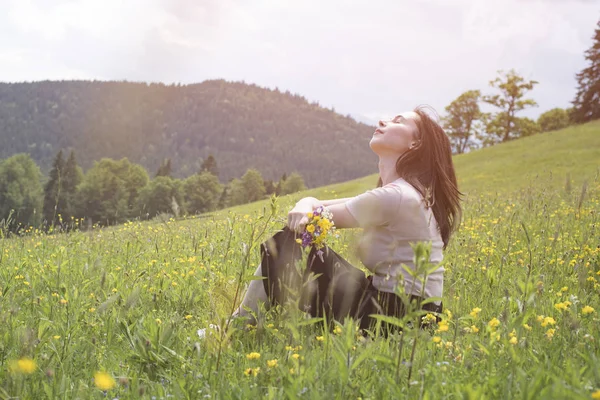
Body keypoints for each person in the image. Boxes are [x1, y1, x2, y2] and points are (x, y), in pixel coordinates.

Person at [198, 105, 462, 338]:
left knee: (289, 240)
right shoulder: (402, 193)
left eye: (398, 121)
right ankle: (253, 319)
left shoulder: (396, 197)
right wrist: (306, 202)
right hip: (406, 311)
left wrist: (306, 206)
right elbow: (318, 207)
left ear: (414, 144)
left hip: (397, 318)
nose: (383, 122)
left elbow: (312, 219)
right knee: (302, 241)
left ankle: (236, 327)